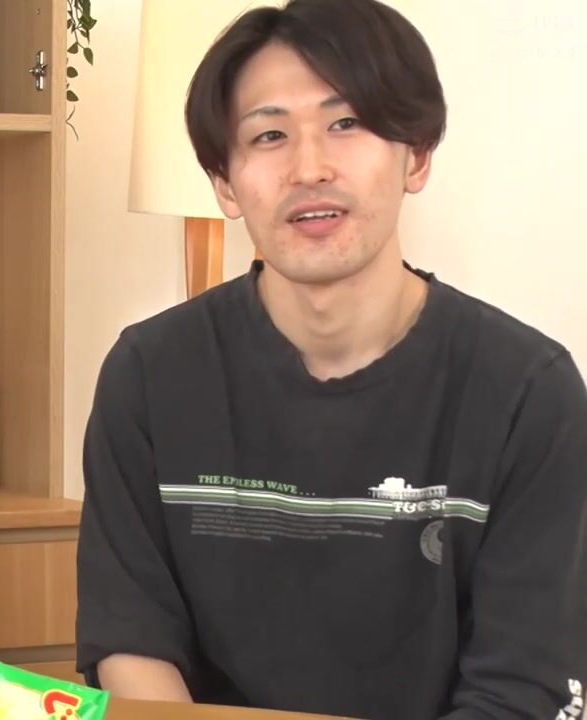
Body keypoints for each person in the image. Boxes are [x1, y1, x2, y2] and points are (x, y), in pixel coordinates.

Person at [75, 1, 587, 717]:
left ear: (417, 155)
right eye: (270, 134)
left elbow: (522, 687)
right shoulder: (150, 375)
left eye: (346, 124)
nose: (309, 168)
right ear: (225, 183)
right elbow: (132, 643)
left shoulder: (528, 393)